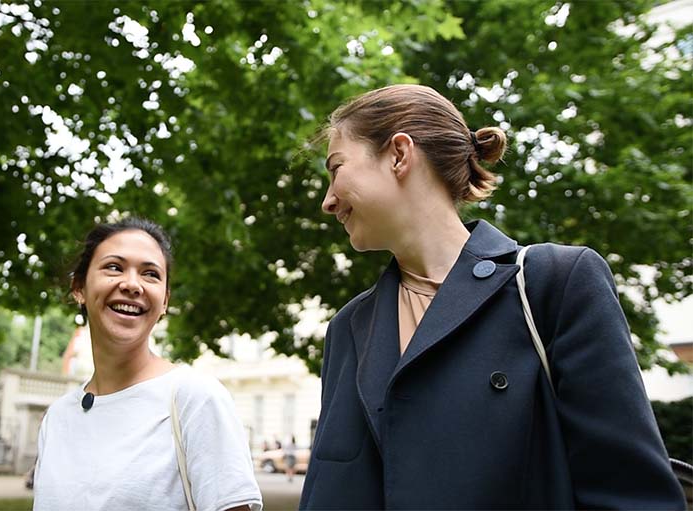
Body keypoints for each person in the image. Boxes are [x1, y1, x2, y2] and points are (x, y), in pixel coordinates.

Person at [299, 84, 685, 509]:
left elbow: (632, 495)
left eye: (336, 168)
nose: (328, 201)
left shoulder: (554, 284)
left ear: (399, 154)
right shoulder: (349, 328)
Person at [33, 218, 262, 511]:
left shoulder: (195, 398)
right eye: (114, 267)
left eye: (150, 274)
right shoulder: (58, 418)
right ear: (79, 287)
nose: (132, 285)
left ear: (164, 301)